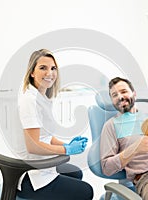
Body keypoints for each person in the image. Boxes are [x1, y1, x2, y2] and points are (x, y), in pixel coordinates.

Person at [17, 49, 93, 200]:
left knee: (76, 173)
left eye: (53, 68)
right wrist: (66, 149)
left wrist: (68, 144)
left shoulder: (42, 98)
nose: (49, 73)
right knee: (86, 191)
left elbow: (45, 137)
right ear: (32, 72)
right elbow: (33, 146)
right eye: (43, 68)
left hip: (43, 167)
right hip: (32, 177)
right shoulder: (29, 100)